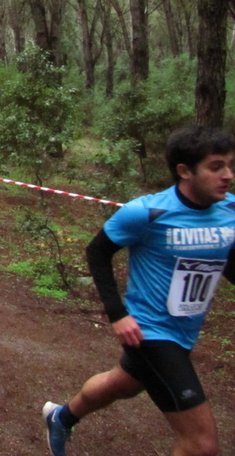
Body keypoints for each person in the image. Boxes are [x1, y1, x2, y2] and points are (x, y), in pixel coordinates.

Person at [43, 126, 235, 456]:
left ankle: (61, 417)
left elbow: (226, 258)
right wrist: (118, 314)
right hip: (150, 332)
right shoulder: (146, 212)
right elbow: (97, 252)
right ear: (185, 171)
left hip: (185, 329)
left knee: (125, 383)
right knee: (201, 444)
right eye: (216, 166)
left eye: (230, 165)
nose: (228, 175)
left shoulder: (229, 210)